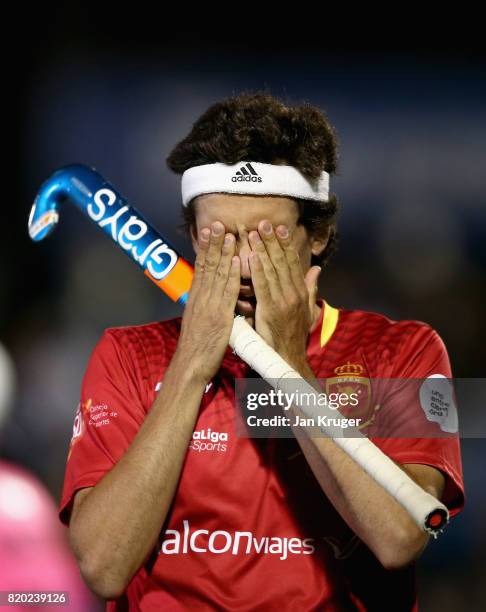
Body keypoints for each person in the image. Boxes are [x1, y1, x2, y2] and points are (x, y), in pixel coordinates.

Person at [59, 93, 464, 611]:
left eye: (265, 238)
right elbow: (103, 567)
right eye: (218, 237)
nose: (243, 265)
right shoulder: (126, 355)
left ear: (317, 234)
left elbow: (399, 540)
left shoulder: (407, 351)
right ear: (190, 235)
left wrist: (290, 364)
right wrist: (191, 362)